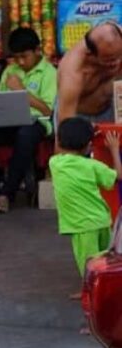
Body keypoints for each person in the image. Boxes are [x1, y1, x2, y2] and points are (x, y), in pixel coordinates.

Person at [0, 28, 57, 213]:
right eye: (16, 57)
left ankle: (7, 193)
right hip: (9, 122)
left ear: (37, 50)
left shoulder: (49, 73)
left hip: (37, 123)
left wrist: (22, 92)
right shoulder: (10, 70)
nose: (20, 62)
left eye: (24, 56)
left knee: (25, 135)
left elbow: (48, 110)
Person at [49, 117, 122, 287]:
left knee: (89, 265)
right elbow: (119, 175)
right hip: (102, 220)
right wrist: (114, 149)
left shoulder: (55, 164)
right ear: (88, 145)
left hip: (82, 225)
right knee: (108, 261)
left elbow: (59, 144)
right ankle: (108, 290)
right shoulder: (93, 166)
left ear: (59, 141)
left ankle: (90, 293)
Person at [55, 21, 122, 127]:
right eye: (110, 60)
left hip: (112, 108)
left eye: (119, 55)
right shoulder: (72, 72)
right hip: (79, 117)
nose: (117, 62)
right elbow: (65, 127)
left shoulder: (118, 35)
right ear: (90, 54)